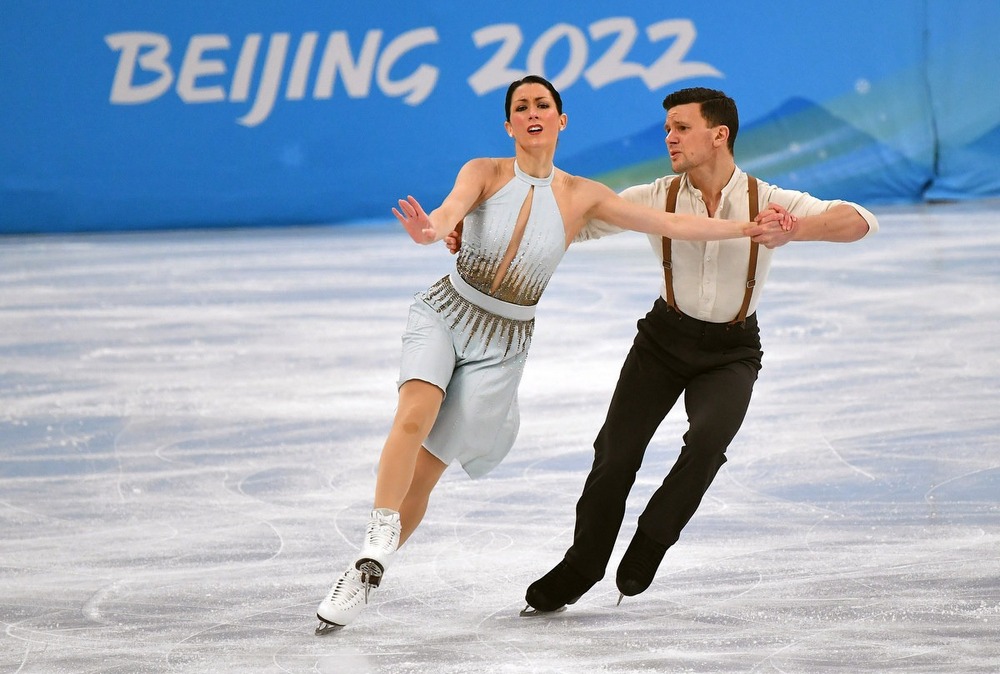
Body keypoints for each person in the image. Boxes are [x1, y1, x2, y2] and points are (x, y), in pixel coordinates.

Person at [314, 76, 792, 633]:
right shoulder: (483, 171)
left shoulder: (583, 196)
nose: (532, 112)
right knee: (414, 413)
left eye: (543, 104)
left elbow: (670, 223)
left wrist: (747, 227)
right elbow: (449, 214)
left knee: (427, 472)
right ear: (509, 124)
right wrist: (434, 231)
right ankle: (377, 536)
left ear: (561, 121)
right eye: (521, 107)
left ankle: (369, 570)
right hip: (447, 312)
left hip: (504, 342)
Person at [519, 86, 879, 615]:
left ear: (719, 134)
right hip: (663, 342)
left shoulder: (767, 200)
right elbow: (577, 224)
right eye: (667, 128)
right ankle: (583, 564)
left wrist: (794, 230)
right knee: (615, 455)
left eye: (681, 128)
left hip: (732, 351)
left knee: (710, 439)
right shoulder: (655, 197)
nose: (670, 137)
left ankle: (655, 535)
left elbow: (860, 221)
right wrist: (484, 232)